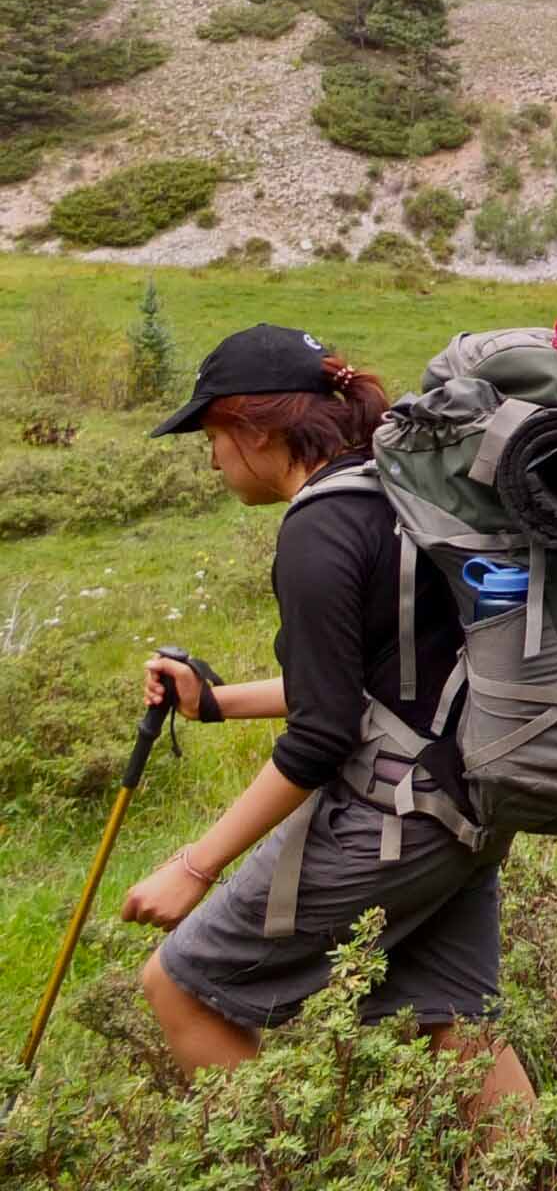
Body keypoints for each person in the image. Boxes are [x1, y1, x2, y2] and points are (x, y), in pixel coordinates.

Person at [119, 324, 528, 1117]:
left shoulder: (318, 528)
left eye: (211, 436)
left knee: (180, 985)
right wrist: (219, 702)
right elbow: (380, 680)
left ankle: (275, 1167)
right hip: (471, 802)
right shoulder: (404, 495)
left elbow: (322, 734)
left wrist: (194, 867)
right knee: (453, 1023)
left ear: (257, 429)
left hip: (393, 815)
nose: (210, 459)